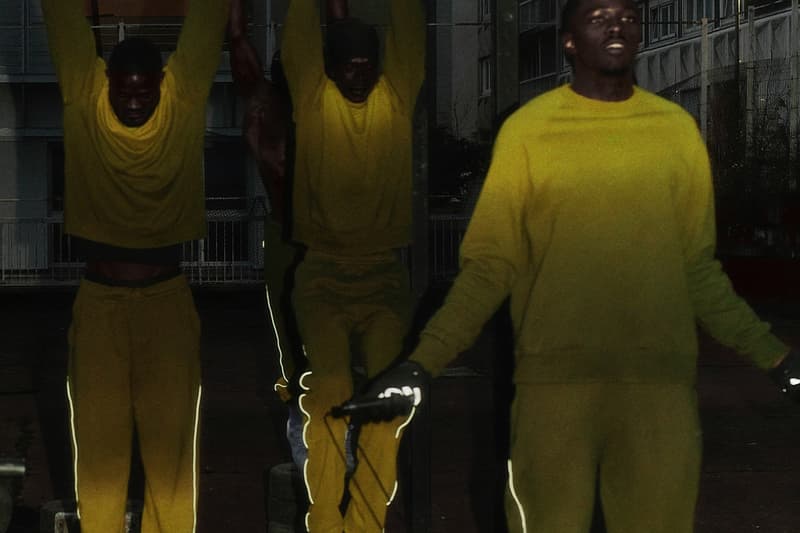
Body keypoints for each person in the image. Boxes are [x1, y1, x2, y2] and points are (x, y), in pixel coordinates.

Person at [358, 0, 800, 531]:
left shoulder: (675, 131)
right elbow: (490, 267)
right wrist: (422, 362)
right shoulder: (529, 131)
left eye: (628, 17)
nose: (616, 25)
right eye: (598, 17)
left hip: (657, 391)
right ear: (568, 41)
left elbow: (698, 271)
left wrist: (776, 358)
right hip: (553, 390)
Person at [41, 1, 230, 531]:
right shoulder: (84, 94)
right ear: (104, 82)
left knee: (172, 461)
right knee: (99, 461)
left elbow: (208, 19)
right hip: (99, 304)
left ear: (163, 84)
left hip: (166, 302)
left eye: (144, 91)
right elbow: (61, 16)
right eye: (122, 90)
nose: (132, 101)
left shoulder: (182, 98)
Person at [280, 0, 425, 530]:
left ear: (380, 67)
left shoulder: (396, 95)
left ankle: (365, 525)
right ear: (330, 68)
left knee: (385, 405)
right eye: (349, 68)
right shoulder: (312, 98)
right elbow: (298, 31)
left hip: (383, 276)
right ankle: (325, 522)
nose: (359, 77)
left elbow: (409, 24)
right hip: (322, 274)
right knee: (330, 392)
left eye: (367, 67)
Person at [227, 0, 304, 406]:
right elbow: (237, 37)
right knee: (293, 347)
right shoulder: (267, 106)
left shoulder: (326, 110)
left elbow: (238, 37)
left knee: (324, 342)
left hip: (320, 240)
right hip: (288, 236)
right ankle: (301, 416)